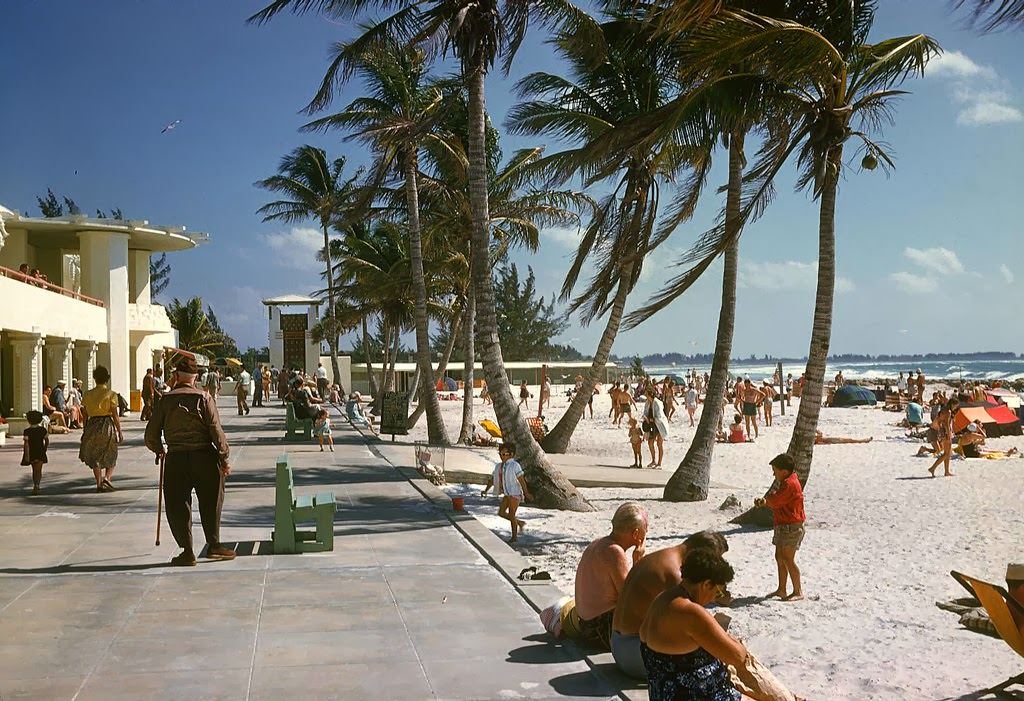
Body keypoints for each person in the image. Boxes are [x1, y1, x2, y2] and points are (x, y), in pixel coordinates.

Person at [144, 356, 235, 566]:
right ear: (196, 378)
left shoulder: (166, 400)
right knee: (211, 501)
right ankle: (214, 545)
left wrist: (159, 449)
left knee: (177, 504)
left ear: (176, 376)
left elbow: (150, 435)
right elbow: (216, 430)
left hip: (176, 458)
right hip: (204, 456)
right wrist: (224, 457)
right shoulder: (204, 398)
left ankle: (187, 551)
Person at [611, 531, 729, 679]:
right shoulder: (675, 575)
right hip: (634, 655)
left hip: (618, 643)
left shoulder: (661, 557)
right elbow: (694, 622)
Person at [639, 549, 749, 701]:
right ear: (706, 584)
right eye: (718, 593)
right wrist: (737, 642)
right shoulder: (691, 612)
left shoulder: (662, 599)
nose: (714, 600)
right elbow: (737, 656)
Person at [573, 502, 648, 650]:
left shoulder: (598, 543)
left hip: (586, 624)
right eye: (646, 530)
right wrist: (638, 562)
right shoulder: (614, 552)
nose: (647, 533)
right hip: (600, 630)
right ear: (636, 534)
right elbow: (629, 597)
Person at [755, 453, 806, 601]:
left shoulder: (790, 484)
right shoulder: (788, 481)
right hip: (784, 525)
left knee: (788, 559)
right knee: (779, 557)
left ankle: (798, 591)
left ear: (784, 471)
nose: (773, 473)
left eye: (775, 470)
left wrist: (765, 501)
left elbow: (777, 500)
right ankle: (782, 589)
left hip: (792, 527)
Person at [79, 365, 123, 492]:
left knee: (95, 455)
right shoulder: (111, 394)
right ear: (107, 379)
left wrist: (85, 429)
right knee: (111, 451)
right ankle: (107, 478)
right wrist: (119, 431)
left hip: (93, 424)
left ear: (94, 379)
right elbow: (115, 414)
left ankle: (98, 483)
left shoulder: (88, 394)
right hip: (106, 424)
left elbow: (85, 414)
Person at [480, 443, 533, 544]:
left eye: (505, 454)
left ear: (511, 454)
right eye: (501, 454)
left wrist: (527, 493)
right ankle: (520, 523)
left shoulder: (515, 465)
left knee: (512, 514)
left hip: (515, 493)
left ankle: (514, 537)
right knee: (501, 513)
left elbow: (521, 480)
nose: (502, 456)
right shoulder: (499, 466)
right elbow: (492, 480)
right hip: (507, 494)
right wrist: (486, 490)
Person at [928, 398, 959, 478]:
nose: (955, 407)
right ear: (952, 404)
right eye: (955, 406)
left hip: (942, 432)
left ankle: (946, 471)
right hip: (945, 432)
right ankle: (933, 468)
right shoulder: (948, 411)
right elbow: (946, 424)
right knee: (947, 454)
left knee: (947, 453)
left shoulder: (943, 409)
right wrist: (949, 434)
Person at [22, 410, 49, 496]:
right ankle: (37, 484)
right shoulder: (43, 430)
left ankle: (35, 485)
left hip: (32, 452)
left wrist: (26, 455)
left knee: (34, 470)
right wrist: (45, 448)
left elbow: (26, 444)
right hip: (40, 451)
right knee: (39, 470)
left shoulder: (27, 431)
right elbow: (47, 440)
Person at [642, 386, 668, 468]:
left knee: (659, 444)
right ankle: (653, 460)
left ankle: (659, 463)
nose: (645, 394)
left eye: (647, 393)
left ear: (651, 394)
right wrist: (645, 418)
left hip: (660, 425)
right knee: (650, 443)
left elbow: (660, 416)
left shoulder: (657, 403)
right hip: (651, 425)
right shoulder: (647, 403)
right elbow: (645, 412)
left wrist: (653, 419)